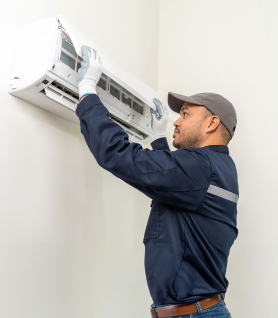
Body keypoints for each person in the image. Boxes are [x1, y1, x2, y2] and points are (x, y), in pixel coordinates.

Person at [76, 46, 238, 318]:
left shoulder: (201, 167)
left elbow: (119, 156)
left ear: (211, 123)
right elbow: (174, 189)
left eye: (185, 114)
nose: (176, 121)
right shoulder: (219, 168)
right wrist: (159, 139)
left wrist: (88, 92)